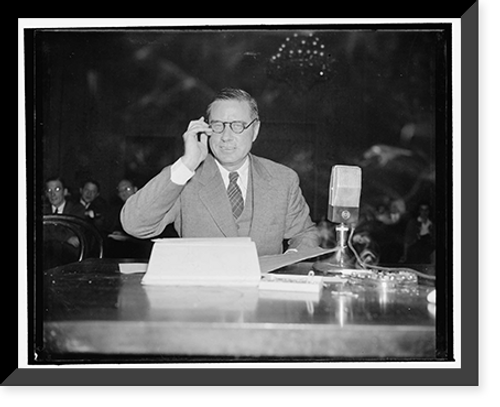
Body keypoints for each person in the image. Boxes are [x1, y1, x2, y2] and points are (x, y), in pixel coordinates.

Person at [121, 88, 320, 256]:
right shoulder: (184, 177)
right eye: (218, 125)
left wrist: (288, 260)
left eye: (237, 126)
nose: (226, 136)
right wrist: (187, 163)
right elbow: (134, 225)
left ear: (255, 130)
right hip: (202, 298)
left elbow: (304, 233)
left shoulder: (282, 179)